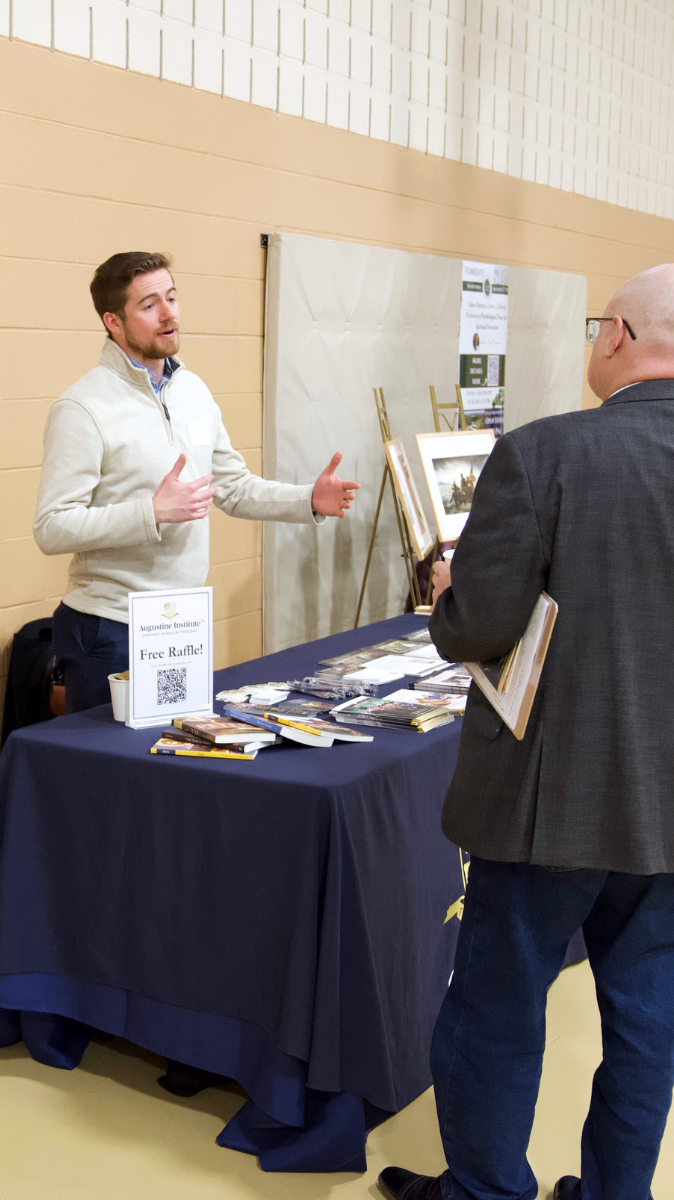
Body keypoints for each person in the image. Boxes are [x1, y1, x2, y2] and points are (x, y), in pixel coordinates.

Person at [379, 265, 674, 1200]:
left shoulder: (545, 453)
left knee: (498, 1013)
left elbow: (479, 626)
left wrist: (447, 591)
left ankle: (485, 1192)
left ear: (617, 335)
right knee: (648, 1021)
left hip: (548, 801)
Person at [34, 252, 359, 712]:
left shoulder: (193, 391)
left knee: (174, 750)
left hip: (180, 626)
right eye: (149, 305)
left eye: (171, 298)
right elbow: (51, 527)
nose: (169, 314)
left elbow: (234, 488)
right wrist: (151, 513)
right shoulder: (83, 408)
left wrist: (308, 499)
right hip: (110, 628)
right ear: (113, 322)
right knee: (113, 758)